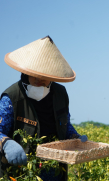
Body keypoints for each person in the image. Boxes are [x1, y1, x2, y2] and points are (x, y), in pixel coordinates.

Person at [0, 36, 88, 180]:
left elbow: (65, 124)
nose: (37, 81)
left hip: (55, 171)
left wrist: (75, 137)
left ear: (52, 76)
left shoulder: (60, 94)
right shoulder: (12, 97)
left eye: (43, 78)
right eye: (34, 76)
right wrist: (6, 143)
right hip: (21, 173)